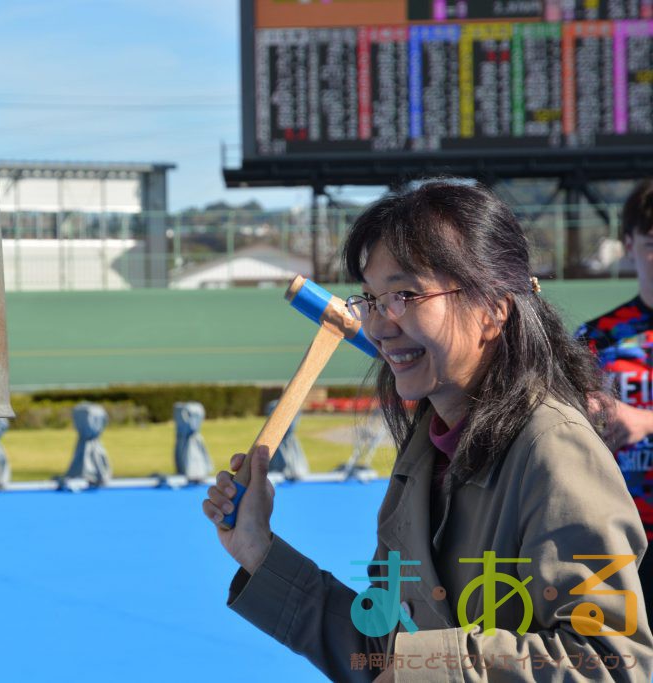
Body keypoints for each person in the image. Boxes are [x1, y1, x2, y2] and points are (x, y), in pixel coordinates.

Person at [203, 181, 653, 682]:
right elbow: (381, 648)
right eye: (371, 299)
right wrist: (259, 553)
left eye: (405, 295)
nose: (378, 324)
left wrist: (429, 666)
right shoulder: (425, 452)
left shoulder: (555, 449)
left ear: (493, 309)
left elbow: (612, 663)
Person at [576, 178, 653, 624]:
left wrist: (645, 421)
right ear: (628, 245)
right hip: (616, 543)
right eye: (651, 243)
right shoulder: (597, 337)